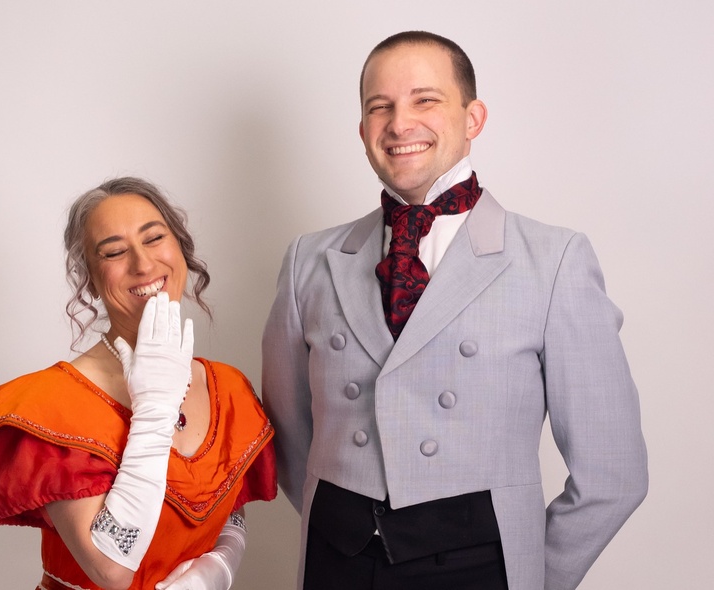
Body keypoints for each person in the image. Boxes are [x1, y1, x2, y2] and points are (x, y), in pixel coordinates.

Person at [262, 31, 647, 590]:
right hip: (335, 562)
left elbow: (614, 472)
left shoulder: (554, 260)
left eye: (425, 99)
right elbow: (289, 434)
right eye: (380, 107)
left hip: (480, 571)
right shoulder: (308, 260)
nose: (399, 123)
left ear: (473, 118)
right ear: (363, 130)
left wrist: (531, 577)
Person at [0, 177, 276, 590]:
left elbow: (229, 508)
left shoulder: (229, 387)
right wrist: (154, 409)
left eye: (154, 238)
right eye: (114, 251)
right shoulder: (54, 406)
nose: (144, 264)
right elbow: (111, 569)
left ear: (181, 249)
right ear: (90, 278)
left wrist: (217, 568)